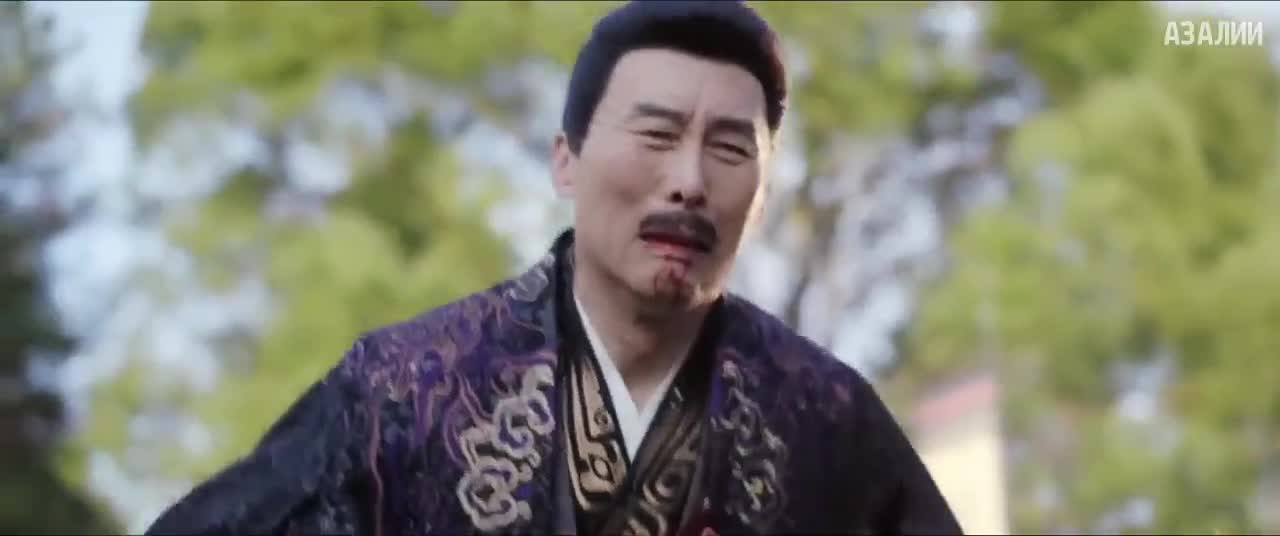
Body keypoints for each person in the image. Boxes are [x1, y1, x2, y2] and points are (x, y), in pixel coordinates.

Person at [145, 2, 963, 535]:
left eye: (728, 148)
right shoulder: (403, 393)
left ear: (763, 193)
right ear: (566, 162)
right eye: (656, 134)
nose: (689, 180)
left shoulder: (827, 419)